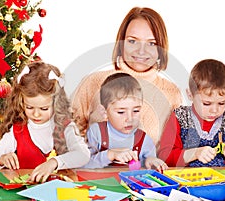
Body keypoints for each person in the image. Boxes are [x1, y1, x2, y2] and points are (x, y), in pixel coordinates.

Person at [71, 7, 183, 150]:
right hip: (96, 169)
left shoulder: (172, 94)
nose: (141, 51)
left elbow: (172, 149)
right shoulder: (93, 82)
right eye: (132, 41)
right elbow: (67, 131)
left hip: (145, 172)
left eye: (151, 43)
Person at [0, 61, 90, 182]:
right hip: (25, 197)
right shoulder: (18, 130)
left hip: (61, 195)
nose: (36, 114)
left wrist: (54, 162)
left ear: (56, 102)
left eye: (44, 109)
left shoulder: (66, 127)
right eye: (29, 107)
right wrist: (1, 159)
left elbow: (83, 155)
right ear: (21, 102)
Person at [158, 59, 225, 167]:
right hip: (187, 181)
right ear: (190, 94)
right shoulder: (180, 117)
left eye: (221, 103)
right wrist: (194, 153)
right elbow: (164, 157)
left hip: (223, 181)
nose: (214, 110)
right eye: (206, 103)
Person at [82, 73, 168, 172]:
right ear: (104, 111)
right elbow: (83, 165)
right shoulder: (96, 132)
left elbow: (147, 170)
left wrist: (150, 161)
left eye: (135, 111)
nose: (130, 118)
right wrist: (110, 155)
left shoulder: (144, 140)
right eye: (121, 112)